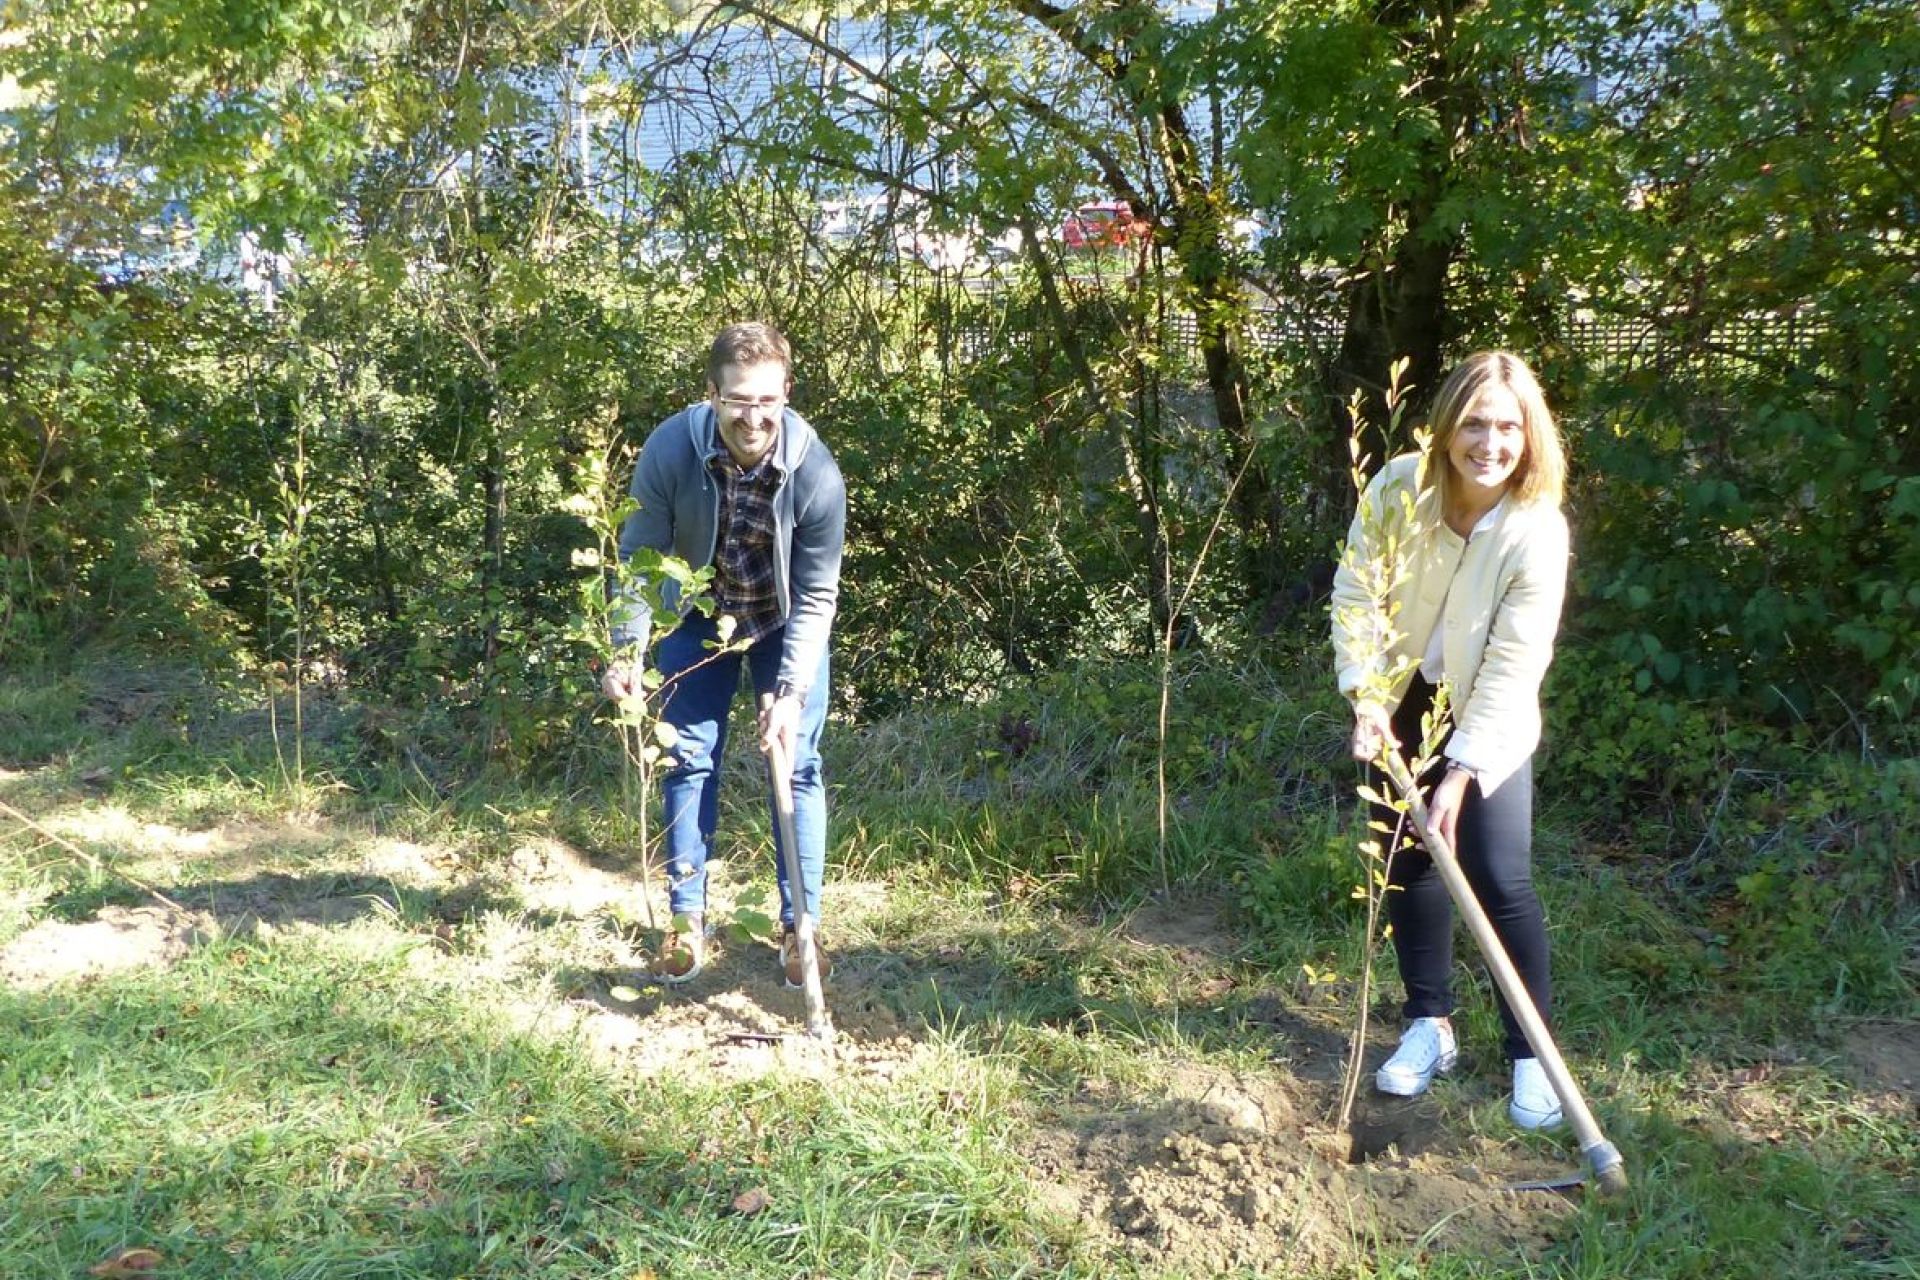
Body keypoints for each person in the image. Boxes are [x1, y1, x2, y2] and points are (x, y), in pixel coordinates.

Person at [1329, 351, 1571, 1130]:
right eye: (1474, 422)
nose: (1490, 442)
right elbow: (1358, 590)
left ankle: (1530, 1055)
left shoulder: (1536, 529)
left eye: (1508, 426)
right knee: (1407, 862)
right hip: (1399, 700)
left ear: (1529, 434)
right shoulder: (1401, 486)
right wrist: (1366, 700)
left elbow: (1515, 659)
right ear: (1446, 424)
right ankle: (1428, 1024)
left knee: (1500, 876)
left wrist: (1462, 773)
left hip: (1488, 712)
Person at [601, 322, 846, 988]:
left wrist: (791, 693)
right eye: (738, 399)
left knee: (797, 764)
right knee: (686, 758)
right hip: (697, 615)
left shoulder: (815, 468)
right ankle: (686, 921)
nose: (753, 415)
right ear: (711, 393)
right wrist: (628, 650)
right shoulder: (670, 449)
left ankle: (801, 931)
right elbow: (641, 560)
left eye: (766, 400)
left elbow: (820, 593)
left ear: (786, 394)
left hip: (783, 620)